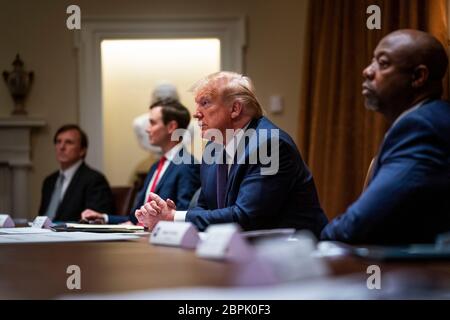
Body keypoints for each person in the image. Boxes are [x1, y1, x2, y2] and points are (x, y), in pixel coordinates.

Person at [135, 71, 328, 237]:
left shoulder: (269, 144)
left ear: (235, 109)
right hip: (241, 252)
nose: (196, 114)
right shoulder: (213, 147)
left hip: (295, 257)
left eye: (205, 103)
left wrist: (173, 216)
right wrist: (171, 216)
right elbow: (204, 207)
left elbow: (245, 218)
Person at [321, 29, 450, 244]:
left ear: (418, 77)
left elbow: (359, 225)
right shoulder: (428, 118)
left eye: (383, 63)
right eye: (372, 61)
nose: (367, 71)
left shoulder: (421, 127)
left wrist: (316, 244)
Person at [81, 98, 200, 224]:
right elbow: (135, 219)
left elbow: (183, 216)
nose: (147, 129)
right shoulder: (155, 166)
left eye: (153, 123)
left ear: (171, 126)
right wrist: (105, 218)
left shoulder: (188, 165)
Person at [38, 124, 114, 222]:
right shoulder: (49, 181)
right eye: (58, 142)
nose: (61, 147)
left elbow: (94, 220)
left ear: (82, 150)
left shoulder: (95, 180)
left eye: (69, 142)